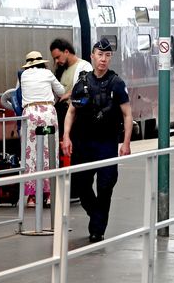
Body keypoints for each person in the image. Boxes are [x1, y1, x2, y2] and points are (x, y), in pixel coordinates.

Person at [61, 38, 133, 243]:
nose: (103, 59)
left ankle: (97, 229)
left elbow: (127, 114)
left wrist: (126, 143)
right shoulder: (82, 82)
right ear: (92, 56)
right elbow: (71, 111)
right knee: (82, 185)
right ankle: (96, 215)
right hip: (83, 142)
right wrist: (66, 137)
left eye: (107, 56)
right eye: (99, 55)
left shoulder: (116, 83)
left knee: (105, 186)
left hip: (106, 143)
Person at [18, 51, 65, 207]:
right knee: (49, 152)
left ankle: (32, 197)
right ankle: (50, 194)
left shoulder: (23, 76)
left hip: (30, 115)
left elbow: (18, 93)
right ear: (42, 63)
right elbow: (61, 92)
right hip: (47, 113)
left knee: (31, 154)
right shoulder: (47, 73)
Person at [49, 38, 93, 138]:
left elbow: (87, 87)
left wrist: (68, 94)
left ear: (66, 52)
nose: (56, 61)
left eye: (58, 57)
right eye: (54, 59)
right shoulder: (61, 70)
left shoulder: (84, 66)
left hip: (77, 116)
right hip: (63, 115)